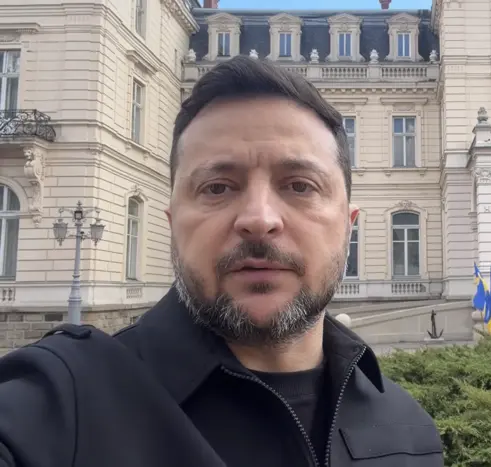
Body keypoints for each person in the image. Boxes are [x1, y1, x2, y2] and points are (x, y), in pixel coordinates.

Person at [0, 56, 443, 467]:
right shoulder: (62, 404)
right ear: (173, 224)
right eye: (217, 187)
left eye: (300, 185)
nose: (259, 219)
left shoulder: (410, 431)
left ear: (348, 226)